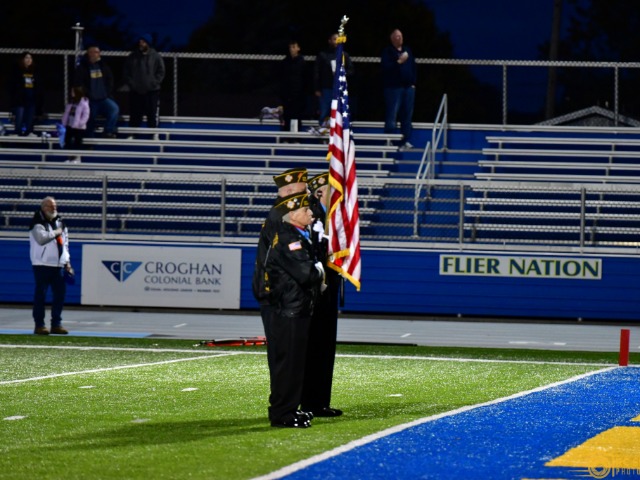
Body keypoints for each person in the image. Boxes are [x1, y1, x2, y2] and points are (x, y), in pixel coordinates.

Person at [265, 191, 325, 428]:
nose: (311, 213)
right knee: (288, 365)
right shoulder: (289, 239)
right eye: (305, 210)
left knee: (295, 364)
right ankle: (282, 413)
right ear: (292, 215)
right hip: (289, 310)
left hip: (296, 309)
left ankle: (289, 409)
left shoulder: (297, 236)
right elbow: (306, 274)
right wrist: (319, 270)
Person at [300, 172, 343, 418]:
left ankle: (320, 402)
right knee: (314, 346)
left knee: (326, 345)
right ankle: (308, 401)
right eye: (333, 189)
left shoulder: (333, 215)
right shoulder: (312, 214)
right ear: (320, 192)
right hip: (315, 288)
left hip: (329, 287)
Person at [29, 197, 73, 335]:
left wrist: (67, 262)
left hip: (58, 265)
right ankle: (39, 325)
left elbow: (65, 244)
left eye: (55, 206)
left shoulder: (60, 222)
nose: (54, 208)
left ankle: (56, 324)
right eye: (50, 206)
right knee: (41, 295)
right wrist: (57, 232)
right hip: (41, 264)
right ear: (43, 208)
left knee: (59, 295)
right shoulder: (37, 222)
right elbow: (41, 239)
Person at [381, 29, 417, 150]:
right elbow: (385, 68)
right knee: (392, 114)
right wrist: (399, 62)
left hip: (408, 88)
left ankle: (405, 141)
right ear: (392, 38)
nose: (400, 38)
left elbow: (413, 66)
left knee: (407, 116)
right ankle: (389, 140)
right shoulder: (387, 52)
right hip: (393, 88)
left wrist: (413, 83)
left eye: (401, 36)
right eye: (397, 36)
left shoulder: (407, 50)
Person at [73, 45, 119, 138]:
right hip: (90, 100)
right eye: (93, 52)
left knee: (114, 109)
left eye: (97, 52)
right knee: (90, 116)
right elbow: (78, 83)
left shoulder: (103, 66)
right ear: (89, 53)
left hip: (104, 98)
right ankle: (89, 137)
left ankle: (108, 131)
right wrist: (84, 96)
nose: (96, 54)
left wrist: (107, 92)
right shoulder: (82, 67)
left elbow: (110, 80)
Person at [123, 34, 166, 129]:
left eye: (143, 42)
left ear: (148, 43)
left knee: (151, 114)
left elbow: (161, 71)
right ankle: (133, 133)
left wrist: (154, 83)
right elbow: (126, 71)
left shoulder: (156, 56)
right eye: (140, 42)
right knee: (135, 114)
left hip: (151, 91)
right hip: (135, 91)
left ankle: (153, 133)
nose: (141, 44)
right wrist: (132, 84)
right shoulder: (133, 56)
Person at [314, 32, 354, 126]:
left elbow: (351, 70)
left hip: (340, 89)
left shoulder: (344, 55)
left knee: (339, 112)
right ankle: (323, 133)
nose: (337, 41)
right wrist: (317, 88)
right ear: (329, 41)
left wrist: (342, 73)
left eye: (338, 39)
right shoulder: (322, 55)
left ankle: (339, 133)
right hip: (326, 89)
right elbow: (317, 73)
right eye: (334, 39)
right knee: (324, 112)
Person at [8, 52, 41, 136]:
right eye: (26, 58)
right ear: (22, 59)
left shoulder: (35, 71)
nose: (29, 60)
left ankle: (29, 131)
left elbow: (38, 86)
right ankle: (17, 131)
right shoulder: (17, 70)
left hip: (31, 98)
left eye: (30, 58)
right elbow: (13, 85)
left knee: (31, 114)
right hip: (20, 98)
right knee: (19, 114)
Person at [280, 40, 306, 132]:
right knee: (286, 116)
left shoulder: (302, 62)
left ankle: (296, 137)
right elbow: (281, 78)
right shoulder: (285, 62)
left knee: (297, 116)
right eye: (290, 47)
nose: (292, 49)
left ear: (298, 48)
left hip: (298, 95)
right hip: (287, 95)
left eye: (294, 47)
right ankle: (285, 136)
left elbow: (305, 78)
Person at [61, 86, 90, 162]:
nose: (71, 93)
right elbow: (67, 113)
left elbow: (86, 115)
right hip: (69, 125)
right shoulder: (71, 102)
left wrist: (80, 123)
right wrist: (64, 122)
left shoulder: (84, 103)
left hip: (78, 127)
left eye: (73, 92)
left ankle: (77, 158)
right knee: (67, 142)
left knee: (77, 142)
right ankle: (70, 158)